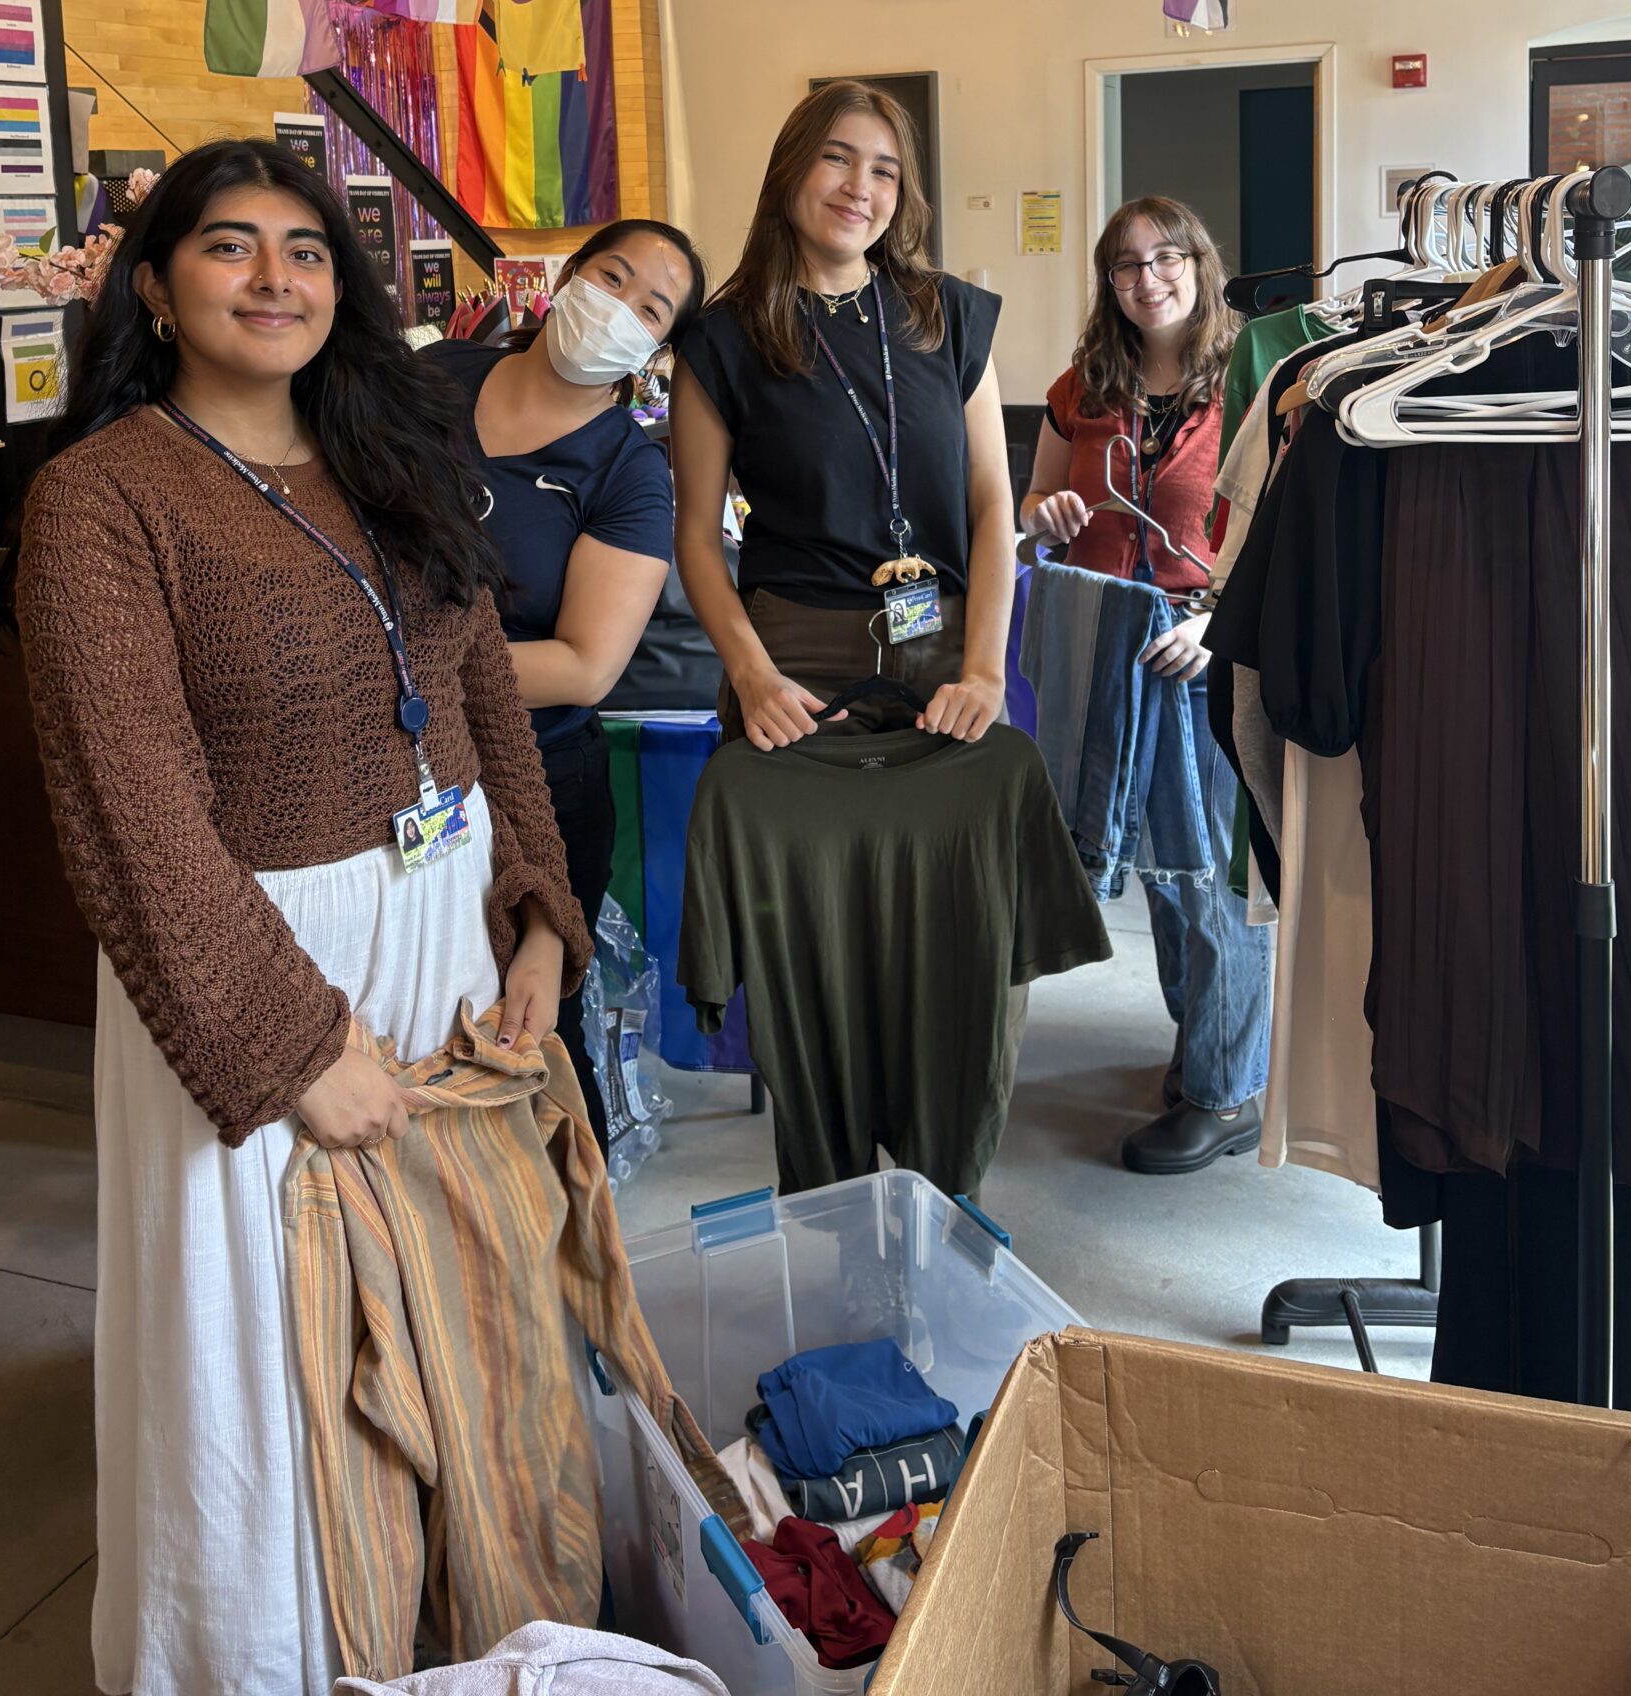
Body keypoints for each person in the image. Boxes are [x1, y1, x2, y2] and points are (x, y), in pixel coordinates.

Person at [6, 139, 589, 1696]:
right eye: (230, 248)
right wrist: (286, 1044)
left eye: (308, 249)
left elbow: (479, 703)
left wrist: (535, 907)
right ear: (155, 285)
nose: (277, 279)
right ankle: (265, 1660)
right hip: (256, 970)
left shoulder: (394, 462)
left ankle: (448, 1634)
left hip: (447, 931)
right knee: (266, 1354)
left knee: (457, 1322)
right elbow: (134, 818)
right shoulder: (102, 505)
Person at [430, 217, 707, 1154]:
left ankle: (566, 1253)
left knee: (531, 1042)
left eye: (649, 306)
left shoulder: (630, 472)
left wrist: (398, 664)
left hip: (541, 784)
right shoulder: (436, 383)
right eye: (610, 275)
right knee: (416, 1018)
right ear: (568, 276)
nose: (616, 308)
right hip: (400, 767)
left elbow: (586, 664)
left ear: (657, 347)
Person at [1020, 195, 1273, 1175]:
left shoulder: (1251, 384)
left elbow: (1276, 531)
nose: (1148, 277)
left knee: (1210, 873)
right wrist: (1050, 512)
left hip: (1201, 644)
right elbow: (1038, 501)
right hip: (1103, 646)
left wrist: (1222, 623)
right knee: (1150, 869)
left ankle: (1230, 1090)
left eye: (1167, 256)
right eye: (1126, 264)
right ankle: (1201, 1044)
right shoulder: (1082, 386)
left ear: (1201, 264)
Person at [671, 80, 1015, 746]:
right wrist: (751, 675)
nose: (860, 186)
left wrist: (984, 671)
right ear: (789, 168)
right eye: (836, 158)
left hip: (947, 652)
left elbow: (994, 505)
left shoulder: (950, 317)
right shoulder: (722, 340)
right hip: (794, 662)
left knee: (950, 845)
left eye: (883, 171)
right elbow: (696, 536)